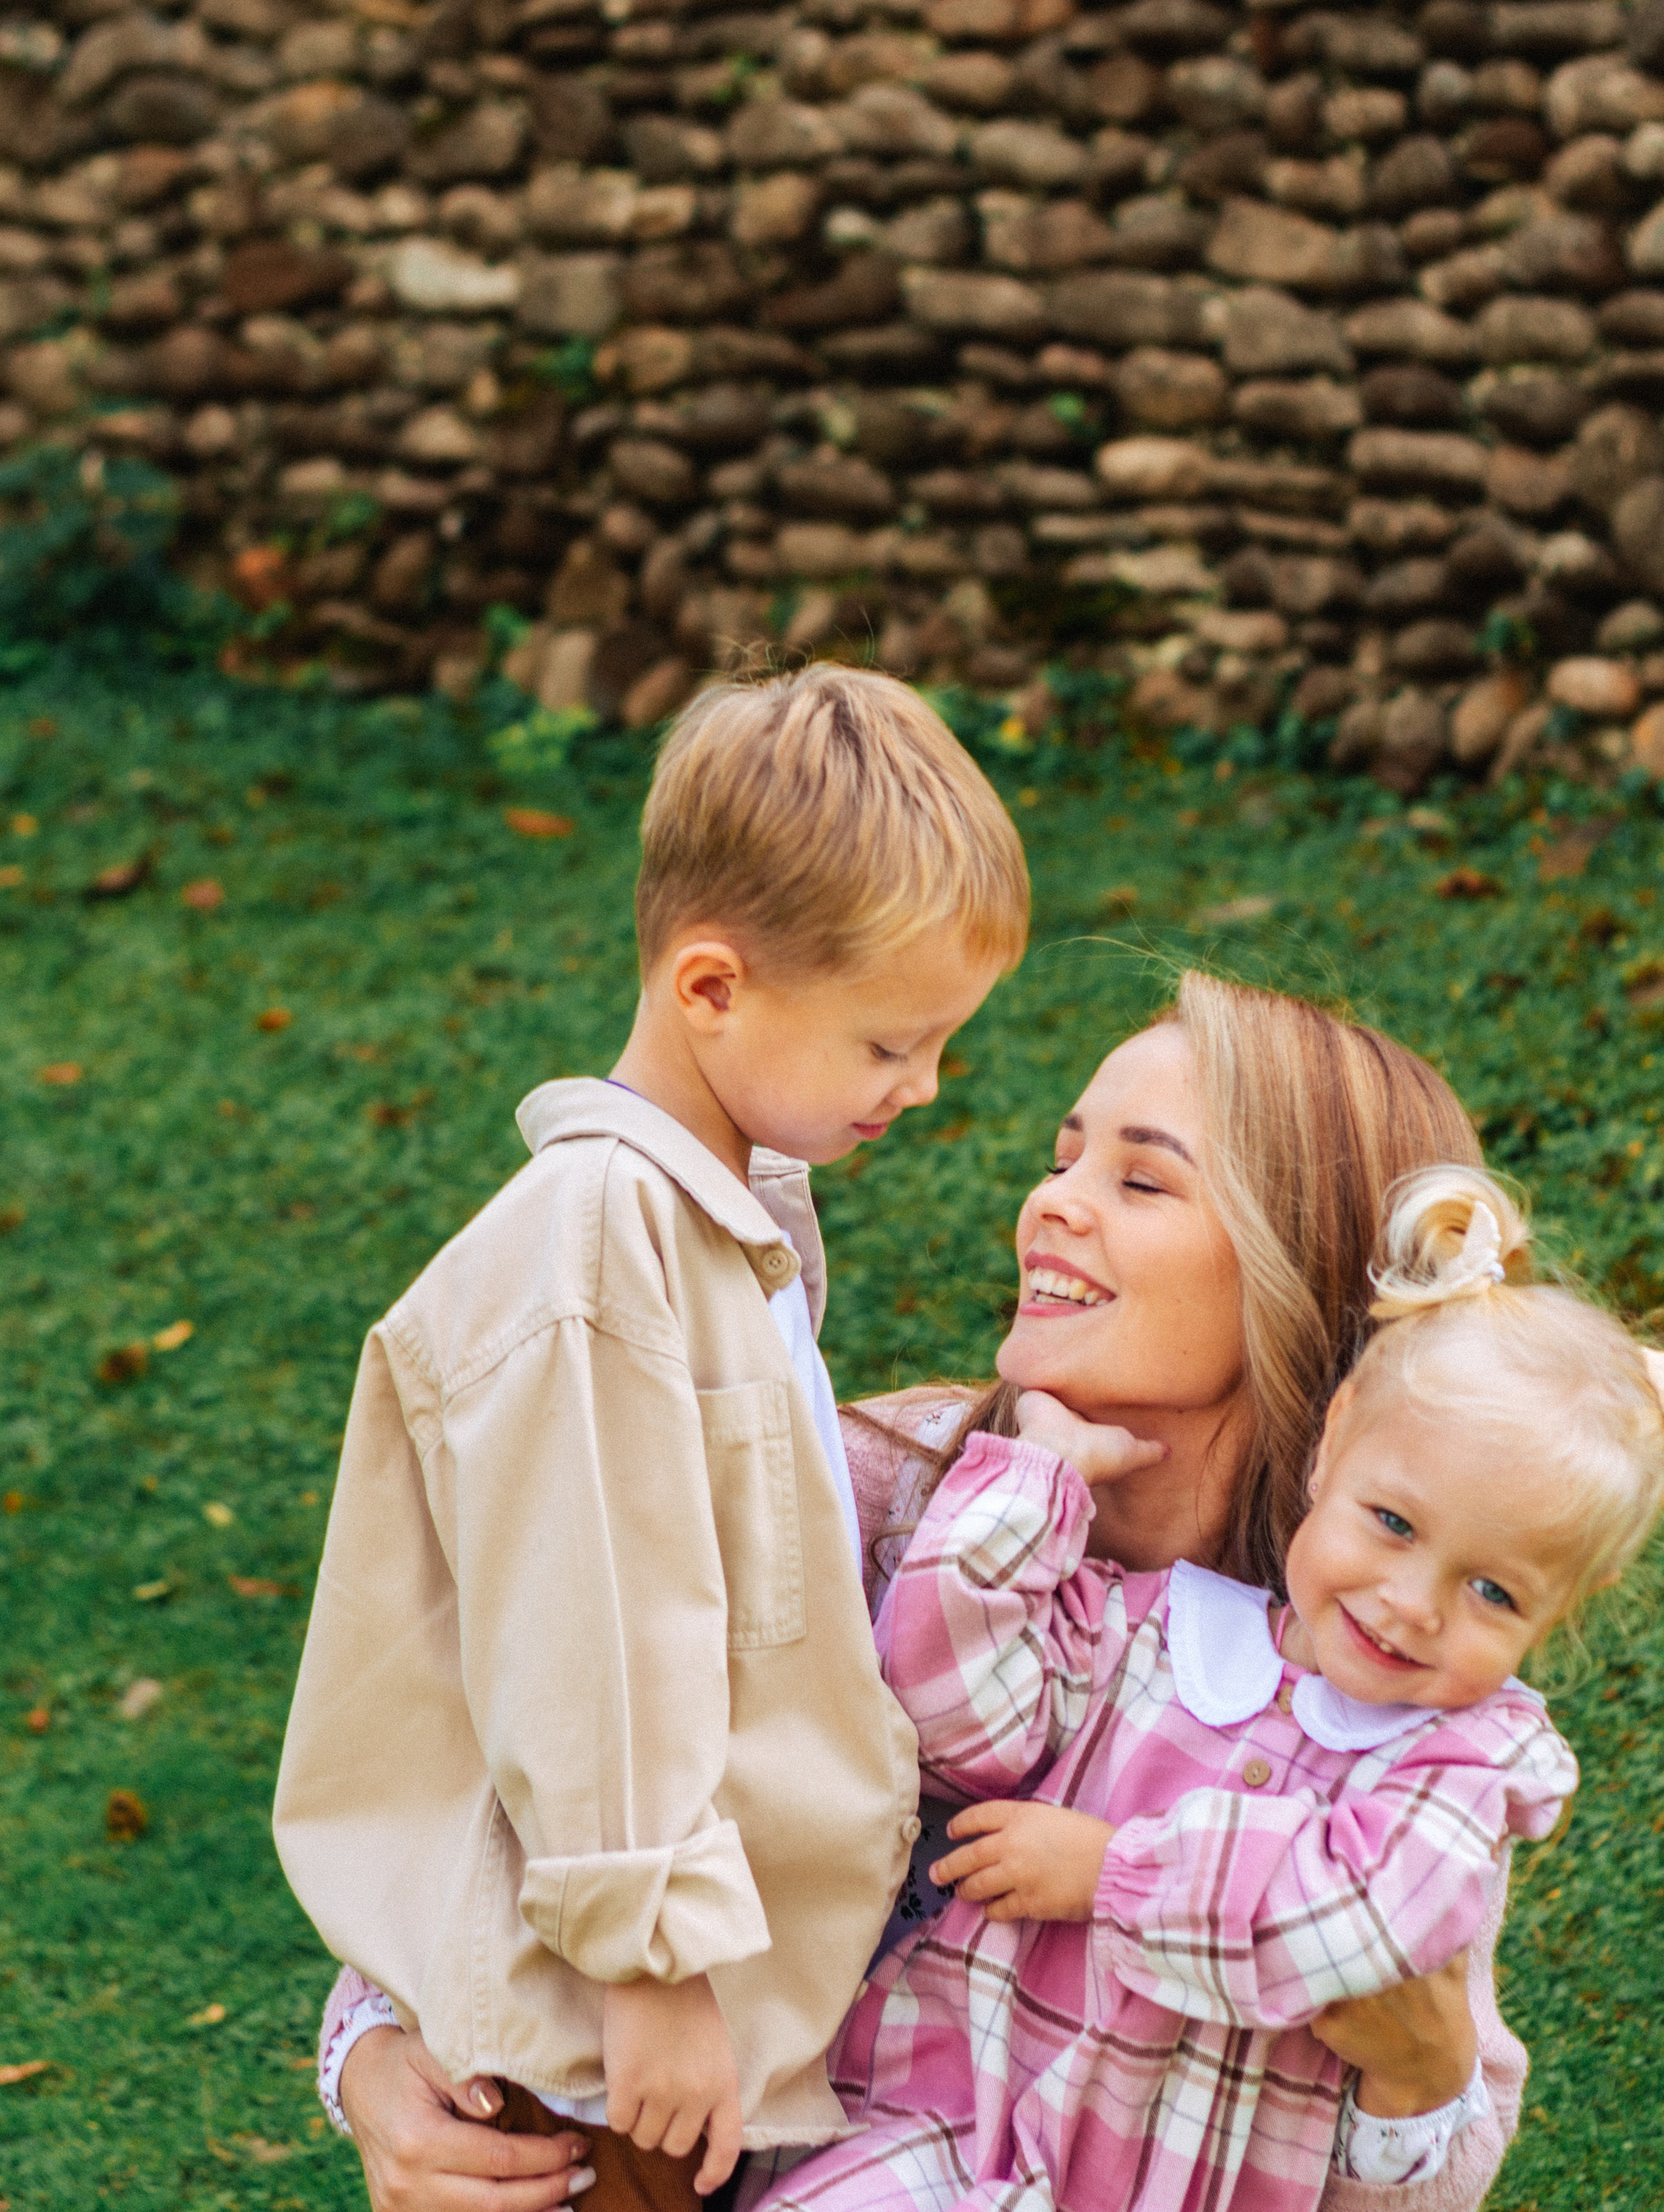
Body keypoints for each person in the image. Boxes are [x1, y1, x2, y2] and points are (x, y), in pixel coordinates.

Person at [317, 975, 1527, 2212]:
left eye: (1142, 1180)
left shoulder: (1384, 1656)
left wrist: (1422, 2076)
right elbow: (545, 1732)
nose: (1053, 1205)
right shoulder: (869, 1488)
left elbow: (1425, 2142)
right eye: (1064, 1160)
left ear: (1295, 1272)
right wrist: (370, 2054)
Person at [274, 665, 1031, 2212]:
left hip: (646, 2019)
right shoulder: (598, 1249)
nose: (924, 1085)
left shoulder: (701, 1231)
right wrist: (650, 1966)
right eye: (889, 1043)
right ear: (710, 989)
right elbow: (594, 1630)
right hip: (590, 2050)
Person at [755, 1163, 1664, 2212]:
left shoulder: (1463, 1764)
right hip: (942, 2133)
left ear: (1567, 1603)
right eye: (1393, 1524)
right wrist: (1033, 1480)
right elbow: (951, 1716)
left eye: (1493, 1590)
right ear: (1334, 1445)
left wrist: (1114, 1874)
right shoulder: (1157, 1629)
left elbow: (1358, 1924)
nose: (1412, 1605)